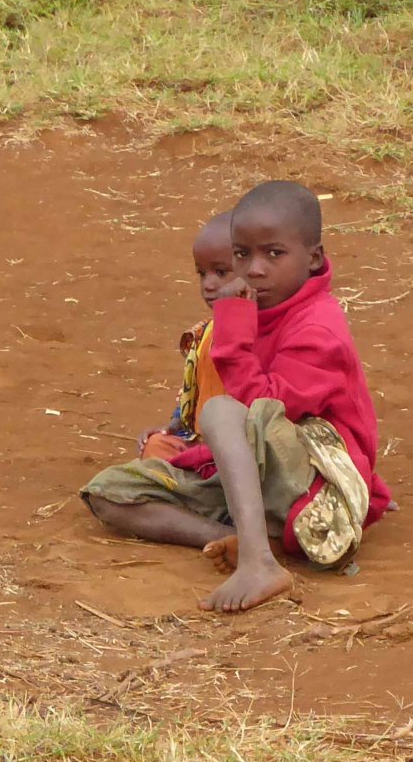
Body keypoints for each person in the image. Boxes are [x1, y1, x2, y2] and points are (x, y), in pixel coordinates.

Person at [81, 180, 392, 613]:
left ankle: (258, 563)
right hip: (258, 489)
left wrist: (231, 333)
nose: (256, 269)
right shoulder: (255, 310)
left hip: (320, 501)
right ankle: (238, 539)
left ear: (314, 257)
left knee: (224, 412)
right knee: (111, 492)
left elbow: (258, 408)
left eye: (274, 254)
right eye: (243, 255)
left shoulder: (318, 328)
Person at [134, 210, 233, 464]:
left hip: (239, 451)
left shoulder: (260, 335)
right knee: (156, 447)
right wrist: (172, 427)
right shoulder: (204, 334)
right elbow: (191, 396)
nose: (208, 284)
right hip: (200, 445)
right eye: (202, 274)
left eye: (221, 272)